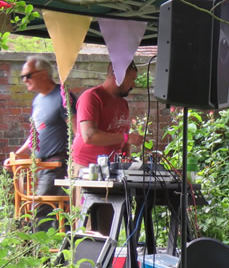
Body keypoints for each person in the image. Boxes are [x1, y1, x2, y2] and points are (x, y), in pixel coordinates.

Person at [3, 56, 76, 230]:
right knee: (49, 211)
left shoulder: (62, 96)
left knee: (40, 209)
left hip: (57, 166)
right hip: (41, 167)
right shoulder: (38, 100)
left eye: (28, 75)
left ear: (43, 74)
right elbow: (35, 135)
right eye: (23, 77)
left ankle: (38, 252)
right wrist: (19, 153)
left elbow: (76, 129)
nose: (24, 80)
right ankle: (56, 252)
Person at [72, 61, 144, 167]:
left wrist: (127, 162)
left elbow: (124, 134)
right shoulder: (91, 97)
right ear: (117, 76)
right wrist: (126, 137)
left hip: (112, 167)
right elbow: (89, 135)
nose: (133, 84)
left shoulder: (123, 103)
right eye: (131, 79)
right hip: (86, 166)